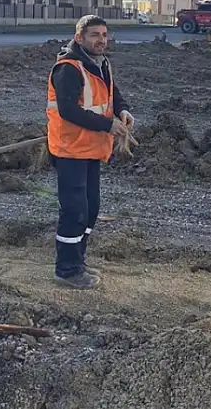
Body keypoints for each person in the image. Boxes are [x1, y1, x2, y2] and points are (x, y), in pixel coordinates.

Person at [46, 15, 133, 289]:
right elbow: (68, 110)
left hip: (92, 149)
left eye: (104, 35)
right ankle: (67, 269)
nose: (101, 40)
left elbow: (111, 93)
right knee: (75, 210)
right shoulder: (69, 69)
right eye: (95, 35)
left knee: (90, 208)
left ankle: (77, 260)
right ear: (79, 37)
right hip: (70, 149)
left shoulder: (101, 64)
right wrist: (108, 125)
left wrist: (122, 111)